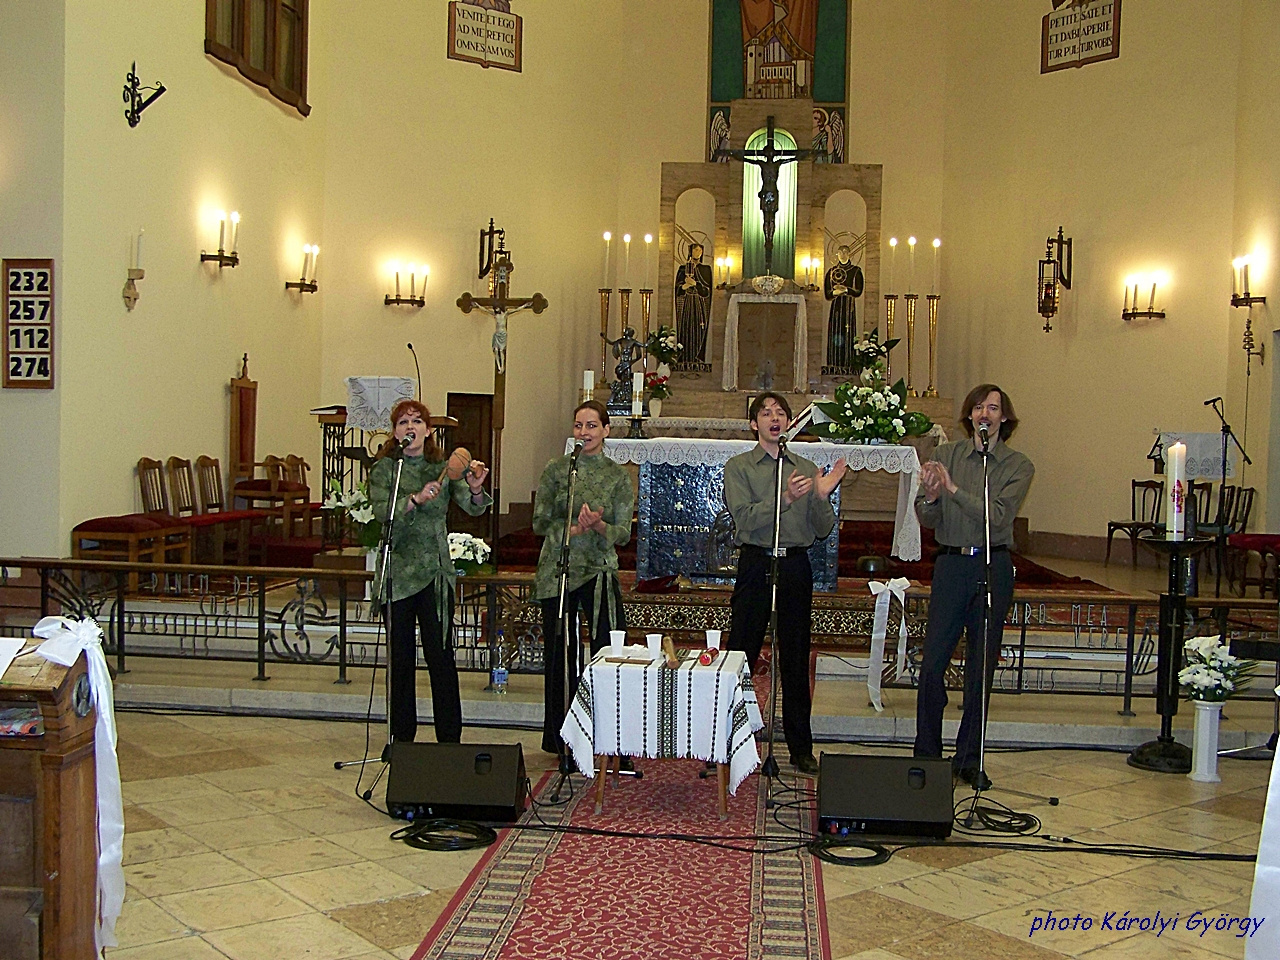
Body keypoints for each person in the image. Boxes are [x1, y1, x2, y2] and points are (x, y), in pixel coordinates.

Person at [914, 384, 1035, 788]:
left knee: (981, 668)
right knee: (932, 665)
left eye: (994, 407)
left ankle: (969, 758)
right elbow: (926, 516)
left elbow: (999, 517)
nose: (986, 413)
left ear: (1005, 418)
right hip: (951, 565)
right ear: (969, 416)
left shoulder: (1018, 465)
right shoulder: (946, 454)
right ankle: (928, 754)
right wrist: (931, 497)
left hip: (992, 565)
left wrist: (951, 490)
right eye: (980, 406)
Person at [724, 393, 847, 775]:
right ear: (753, 424)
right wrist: (785, 498)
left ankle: (800, 747)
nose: (774, 419)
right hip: (757, 563)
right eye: (766, 413)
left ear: (789, 423)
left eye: (781, 413)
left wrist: (822, 496)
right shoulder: (739, 467)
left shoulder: (806, 466)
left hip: (794, 566)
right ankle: (729, 744)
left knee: (795, 658)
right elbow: (743, 522)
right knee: (739, 655)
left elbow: (823, 529)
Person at [368, 399, 491, 744]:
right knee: (401, 663)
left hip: (435, 574)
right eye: (403, 422)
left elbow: (473, 506)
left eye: (417, 421)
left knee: (441, 659)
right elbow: (381, 512)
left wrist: (477, 485)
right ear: (394, 432)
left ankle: (449, 741)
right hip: (399, 575)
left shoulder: (442, 466)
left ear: (428, 429)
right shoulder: (384, 471)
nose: (411, 427)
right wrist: (416, 498)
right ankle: (401, 740)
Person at [533, 400, 634, 755]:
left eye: (592, 426)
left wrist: (599, 525)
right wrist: (572, 529)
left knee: (607, 650)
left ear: (606, 431)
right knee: (562, 654)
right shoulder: (557, 469)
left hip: (599, 572)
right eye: (578, 426)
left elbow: (623, 533)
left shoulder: (617, 475)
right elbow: (539, 521)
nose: (584, 433)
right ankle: (561, 736)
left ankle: (606, 735)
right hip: (558, 572)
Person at [823, 245, 864, 371]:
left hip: (848, 307)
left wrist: (845, 290)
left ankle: (848, 365)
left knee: (848, 334)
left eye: (845, 252)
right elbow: (827, 293)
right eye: (840, 252)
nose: (843, 255)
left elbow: (858, 291)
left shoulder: (856, 271)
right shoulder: (831, 272)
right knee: (834, 333)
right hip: (836, 308)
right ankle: (833, 365)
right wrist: (835, 293)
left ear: (850, 254)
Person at [675, 243, 713, 366]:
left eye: (700, 250)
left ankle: (698, 356)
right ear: (690, 251)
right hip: (687, 303)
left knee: (699, 329)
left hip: (699, 305)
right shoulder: (682, 268)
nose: (698, 252)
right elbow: (677, 290)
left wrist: (695, 284)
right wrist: (685, 286)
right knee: (685, 329)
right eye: (695, 250)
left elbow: (707, 291)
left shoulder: (705, 269)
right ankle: (684, 357)